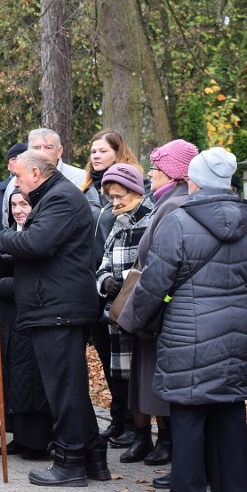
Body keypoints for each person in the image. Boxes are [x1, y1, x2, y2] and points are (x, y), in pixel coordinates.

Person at [130, 148, 247, 492]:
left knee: (188, 408)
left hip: (187, 328)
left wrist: (140, 319)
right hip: (235, 328)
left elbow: (156, 281)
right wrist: (239, 317)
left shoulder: (179, 220)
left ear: (195, 179)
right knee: (227, 408)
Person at [0, 149, 109, 487]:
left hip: (58, 307)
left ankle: (69, 462)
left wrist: (0, 240)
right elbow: (48, 253)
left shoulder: (60, 199)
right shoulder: (53, 197)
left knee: (63, 389)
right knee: (70, 387)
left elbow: (38, 243)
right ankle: (93, 457)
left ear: (36, 175)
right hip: (53, 303)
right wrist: (7, 262)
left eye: (19, 176)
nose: (16, 182)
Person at [116, 138, 199, 490]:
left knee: (172, 395)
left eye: (156, 170)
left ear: (175, 175)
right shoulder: (166, 203)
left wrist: (140, 311)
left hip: (163, 314)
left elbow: (160, 264)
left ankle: (182, 463)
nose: (150, 176)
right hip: (160, 312)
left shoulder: (173, 206)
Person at [78, 130, 144, 449]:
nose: (95, 156)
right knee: (109, 358)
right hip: (98, 286)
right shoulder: (90, 191)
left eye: (101, 150)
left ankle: (132, 423)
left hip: (124, 293)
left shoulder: (129, 195)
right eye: (92, 151)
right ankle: (119, 420)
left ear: (118, 153)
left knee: (127, 362)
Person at [0, 188, 52, 459]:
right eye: (14, 204)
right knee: (11, 381)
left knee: (31, 381)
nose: (19, 209)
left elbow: (34, 285)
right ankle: (19, 436)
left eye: (25, 204)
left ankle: (36, 441)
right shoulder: (3, 239)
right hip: (4, 321)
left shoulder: (42, 238)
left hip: (30, 320)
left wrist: (1, 284)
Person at [93, 164, 154, 463]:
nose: (115, 202)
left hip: (142, 312)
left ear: (136, 192)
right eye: (112, 197)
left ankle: (150, 436)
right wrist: (106, 282)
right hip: (117, 311)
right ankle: (137, 435)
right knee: (123, 377)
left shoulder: (152, 220)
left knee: (144, 379)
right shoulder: (117, 223)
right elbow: (102, 266)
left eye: (120, 196)